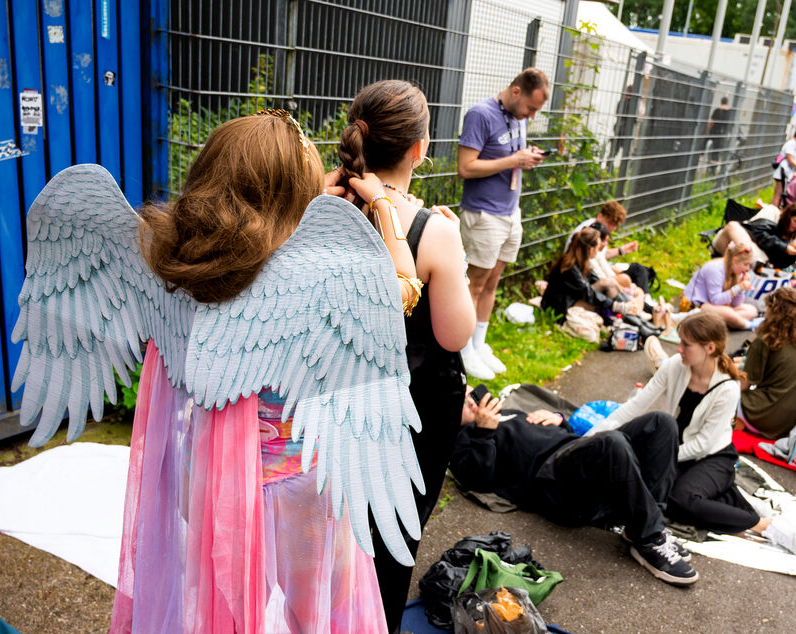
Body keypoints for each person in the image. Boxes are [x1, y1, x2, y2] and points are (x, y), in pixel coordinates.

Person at [111, 112, 421, 632]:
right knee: (320, 611)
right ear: (293, 192)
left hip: (207, 475)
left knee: (222, 604)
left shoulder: (174, 262)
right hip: (296, 486)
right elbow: (402, 291)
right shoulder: (320, 278)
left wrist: (297, 196)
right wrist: (384, 208)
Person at [338, 80, 477, 633]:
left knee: (333, 525)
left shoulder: (325, 207)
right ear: (420, 149)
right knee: (392, 536)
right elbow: (453, 335)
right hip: (412, 408)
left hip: (335, 394)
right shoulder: (433, 231)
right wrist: (454, 250)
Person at [449, 385, 699, 585]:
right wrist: (484, 432)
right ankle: (650, 540)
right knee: (612, 442)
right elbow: (477, 479)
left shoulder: (506, 412)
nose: (471, 401)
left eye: (469, 393)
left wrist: (559, 420)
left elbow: (565, 438)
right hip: (552, 486)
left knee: (661, 422)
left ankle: (647, 527)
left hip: (576, 459)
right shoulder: (463, 440)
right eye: (460, 402)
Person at [618, 314, 796, 554]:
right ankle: (732, 499)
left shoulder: (727, 387)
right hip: (681, 450)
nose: (679, 348)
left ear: (709, 348)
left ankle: (762, 525)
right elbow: (636, 405)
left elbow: (703, 445)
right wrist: (594, 436)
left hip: (714, 457)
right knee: (651, 491)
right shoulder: (676, 365)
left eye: (686, 344)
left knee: (678, 500)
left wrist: (660, 457)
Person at [457, 68, 550, 379]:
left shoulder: (517, 117)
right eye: (531, 108)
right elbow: (466, 167)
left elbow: (511, 153)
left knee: (493, 282)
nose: (532, 116)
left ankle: (479, 344)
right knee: (474, 284)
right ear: (516, 92)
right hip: (484, 215)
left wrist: (527, 156)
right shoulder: (480, 115)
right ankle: (462, 351)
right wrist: (514, 161)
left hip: (511, 212)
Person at [738, 287, 796, 439]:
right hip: (790, 423)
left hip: (762, 415)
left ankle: (737, 422)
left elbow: (745, 383)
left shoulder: (767, 339)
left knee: (721, 393)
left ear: (773, 310)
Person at [541, 227, 638, 322]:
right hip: (560, 307)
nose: (598, 250)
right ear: (591, 249)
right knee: (607, 291)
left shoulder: (581, 260)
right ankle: (636, 323)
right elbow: (588, 293)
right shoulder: (570, 267)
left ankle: (637, 318)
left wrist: (619, 300)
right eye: (597, 247)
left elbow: (595, 280)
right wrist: (615, 305)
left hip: (573, 299)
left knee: (609, 283)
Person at [711, 203, 796, 269]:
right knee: (733, 226)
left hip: (757, 263)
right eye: (795, 221)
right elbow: (757, 232)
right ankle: (751, 262)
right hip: (736, 242)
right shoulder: (773, 213)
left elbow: (781, 264)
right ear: (788, 216)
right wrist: (784, 247)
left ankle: (750, 264)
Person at [683, 241, 758, 329]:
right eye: (745, 264)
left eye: (749, 264)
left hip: (719, 307)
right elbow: (716, 300)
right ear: (734, 260)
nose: (747, 268)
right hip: (698, 306)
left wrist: (741, 289)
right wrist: (738, 288)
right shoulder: (715, 269)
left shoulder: (737, 272)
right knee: (729, 314)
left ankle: (724, 322)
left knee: (752, 311)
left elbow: (736, 304)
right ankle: (747, 325)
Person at [706, 97, 733, 166]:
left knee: (711, 145)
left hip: (715, 132)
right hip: (724, 133)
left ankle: (711, 160)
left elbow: (711, 122)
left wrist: (707, 131)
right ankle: (718, 162)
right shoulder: (730, 112)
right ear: (727, 102)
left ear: (721, 102)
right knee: (718, 148)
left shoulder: (717, 110)